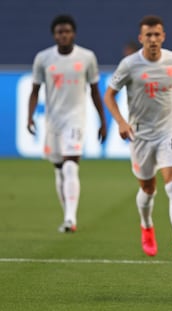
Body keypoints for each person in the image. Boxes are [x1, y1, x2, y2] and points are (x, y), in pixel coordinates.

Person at [104, 15, 172, 260]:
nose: (153, 39)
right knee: (148, 189)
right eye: (148, 35)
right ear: (141, 38)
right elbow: (109, 96)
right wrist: (121, 122)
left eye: (157, 34)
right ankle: (146, 225)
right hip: (140, 136)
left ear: (163, 36)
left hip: (168, 131)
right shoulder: (129, 65)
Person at [27, 14, 107, 233]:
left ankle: (71, 219)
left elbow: (94, 91)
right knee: (59, 170)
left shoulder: (87, 57)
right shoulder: (43, 59)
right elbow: (35, 91)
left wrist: (103, 120)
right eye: (59, 32)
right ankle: (67, 216)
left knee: (71, 165)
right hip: (53, 121)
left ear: (73, 33)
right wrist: (30, 116)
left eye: (67, 31)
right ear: (54, 35)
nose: (63, 35)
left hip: (76, 118)